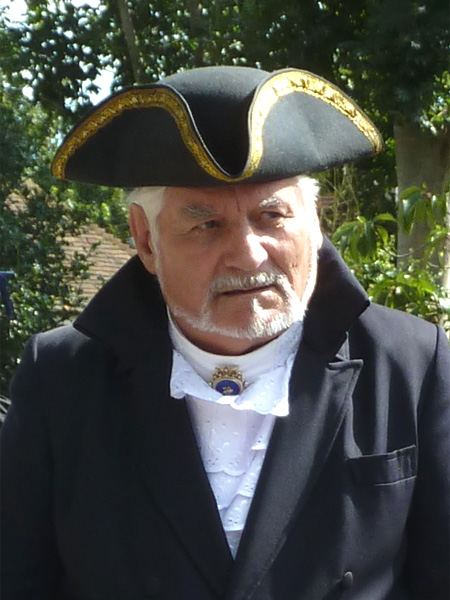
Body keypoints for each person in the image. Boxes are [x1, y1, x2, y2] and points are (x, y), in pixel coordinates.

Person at [1, 66, 449, 600]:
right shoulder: (61, 378)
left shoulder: (412, 363)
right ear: (145, 240)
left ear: (314, 222)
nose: (249, 254)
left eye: (272, 216)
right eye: (207, 225)